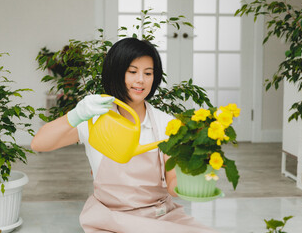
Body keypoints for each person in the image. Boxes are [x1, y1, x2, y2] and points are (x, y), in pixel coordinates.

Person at [31, 37, 219, 233]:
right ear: (116, 74)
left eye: (148, 73)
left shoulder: (167, 124)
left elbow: (172, 180)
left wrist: (192, 184)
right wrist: (77, 114)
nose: (141, 80)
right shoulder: (95, 119)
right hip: (110, 219)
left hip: (159, 216)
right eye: (132, 72)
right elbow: (39, 143)